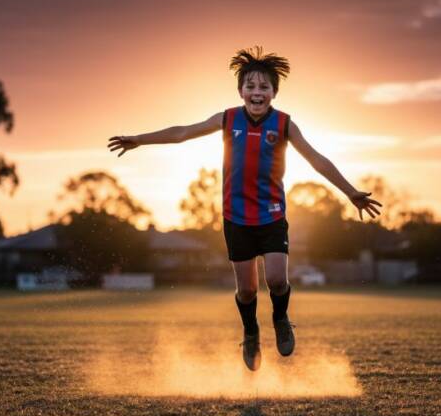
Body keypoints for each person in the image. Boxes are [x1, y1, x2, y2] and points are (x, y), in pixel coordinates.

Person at [107, 47, 382, 371]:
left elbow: (317, 159)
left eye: (264, 87)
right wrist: (139, 139)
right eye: (250, 86)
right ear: (241, 91)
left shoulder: (284, 124)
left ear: (273, 93)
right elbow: (182, 133)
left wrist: (350, 192)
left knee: (277, 281)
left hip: (272, 215)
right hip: (236, 218)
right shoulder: (227, 118)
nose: (257, 92)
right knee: (248, 289)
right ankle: (251, 332)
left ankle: (280, 319)